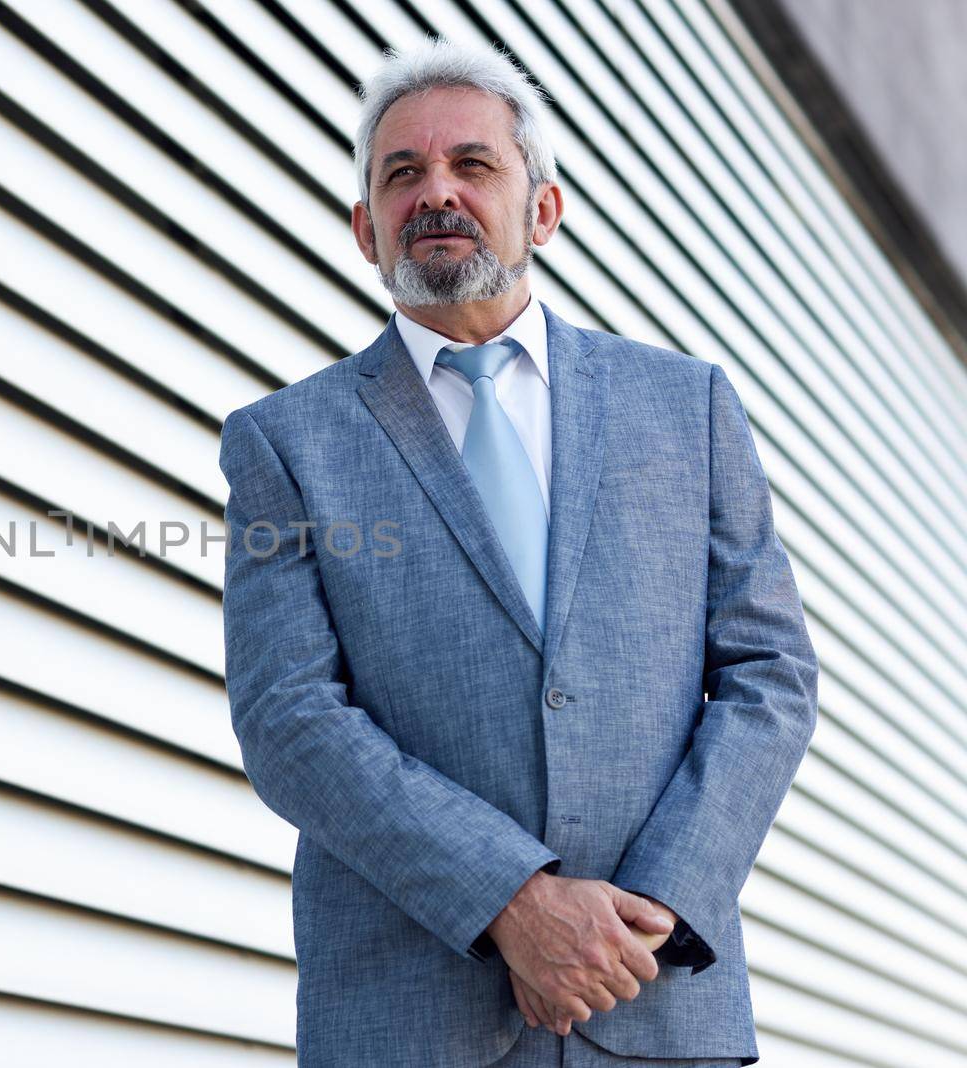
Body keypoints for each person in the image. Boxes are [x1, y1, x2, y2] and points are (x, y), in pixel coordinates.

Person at [218, 35, 818, 1067]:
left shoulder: (687, 408)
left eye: (472, 164)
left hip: (656, 1002)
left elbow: (769, 674)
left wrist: (654, 908)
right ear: (365, 230)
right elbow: (289, 717)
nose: (434, 192)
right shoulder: (287, 442)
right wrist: (511, 899)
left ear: (542, 208)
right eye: (400, 174)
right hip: (408, 1023)